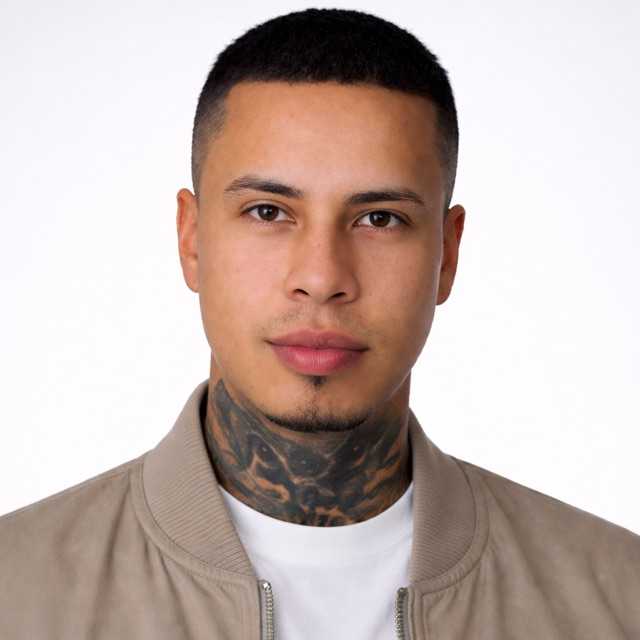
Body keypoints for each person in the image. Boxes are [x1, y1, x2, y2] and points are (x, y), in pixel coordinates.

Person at [1, 7, 638, 639]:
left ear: (447, 254)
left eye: (380, 219)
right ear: (191, 240)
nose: (322, 276)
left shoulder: (618, 597)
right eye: (268, 211)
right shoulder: (17, 590)